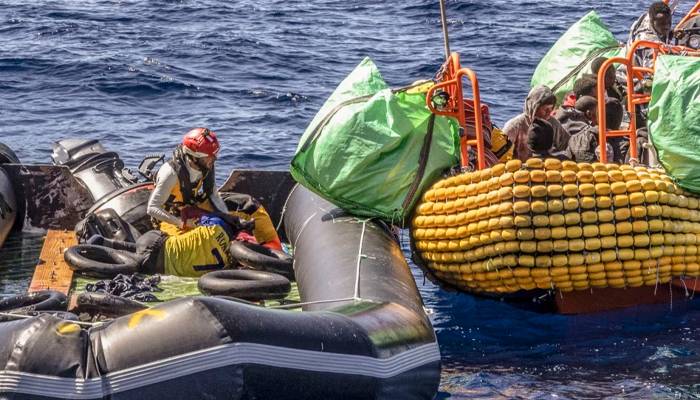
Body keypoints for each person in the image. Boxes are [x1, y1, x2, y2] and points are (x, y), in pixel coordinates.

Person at [147, 127, 282, 250]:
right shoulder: (170, 173)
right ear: (194, 158)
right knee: (201, 239)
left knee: (249, 206)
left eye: (214, 155)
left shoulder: (206, 165)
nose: (213, 160)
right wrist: (182, 223)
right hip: (171, 217)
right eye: (209, 157)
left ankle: (273, 247)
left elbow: (212, 194)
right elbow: (152, 208)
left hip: (193, 205)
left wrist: (228, 218)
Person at [88, 213, 254, 277]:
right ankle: (99, 249)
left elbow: (198, 221)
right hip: (159, 263)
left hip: (157, 240)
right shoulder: (227, 265)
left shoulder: (215, 227)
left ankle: (103, 242)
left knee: (138, 250)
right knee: (134, 261)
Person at [503, 85, 569, 161]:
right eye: (545, 109)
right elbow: (501, 155)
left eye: (551, 108)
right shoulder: (514, 126)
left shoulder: (553, 123)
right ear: (534, 106)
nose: (549, 112)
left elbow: (567, 146)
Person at [566, 99, 623, 163]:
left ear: (597, 115)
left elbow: (566, 165)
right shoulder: (629, 144)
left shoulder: (575, 139)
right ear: (620, 118)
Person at [626, 2, 673, 69]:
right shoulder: (648, 43)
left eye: (669, 22)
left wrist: (672, 33)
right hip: (638, 75)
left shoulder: (647, 19)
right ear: (651, 21)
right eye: (662, 23)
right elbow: (653, 69)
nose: (667, 26)